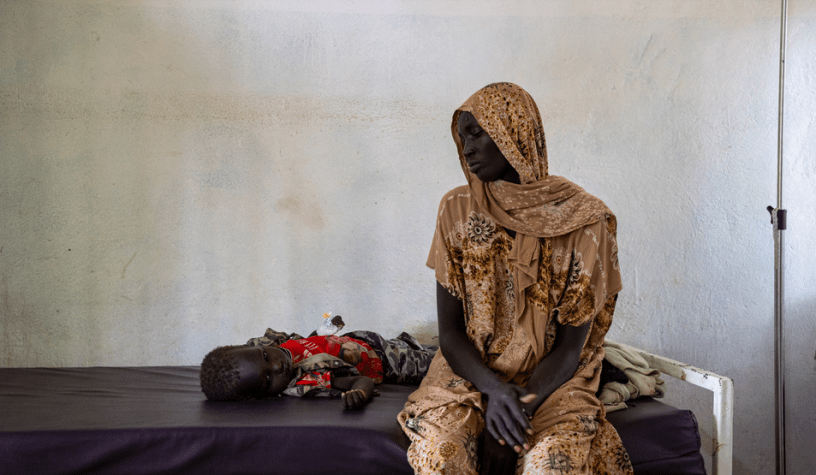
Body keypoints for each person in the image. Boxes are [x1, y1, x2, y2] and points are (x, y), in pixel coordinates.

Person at [398, 83, 632, 475]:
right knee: (443, 456)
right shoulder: (456, 210)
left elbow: (571, 350)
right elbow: (451, 335)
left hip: (552, 385)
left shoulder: (587, 223)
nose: (466, 147)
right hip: (468, 378)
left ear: (514, 132)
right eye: (461, 137)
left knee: (549, 467)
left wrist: (510, 419)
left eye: (477, 133)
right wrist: (493, 391)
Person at [200, 334, 383, 409]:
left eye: (265, 356)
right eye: (269, 378)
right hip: (384, 361)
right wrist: (360, 393)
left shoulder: (272, 343)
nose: (277, 365)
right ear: (262, 396)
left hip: (361, 338)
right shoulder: (306, 380)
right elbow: (359, 380)